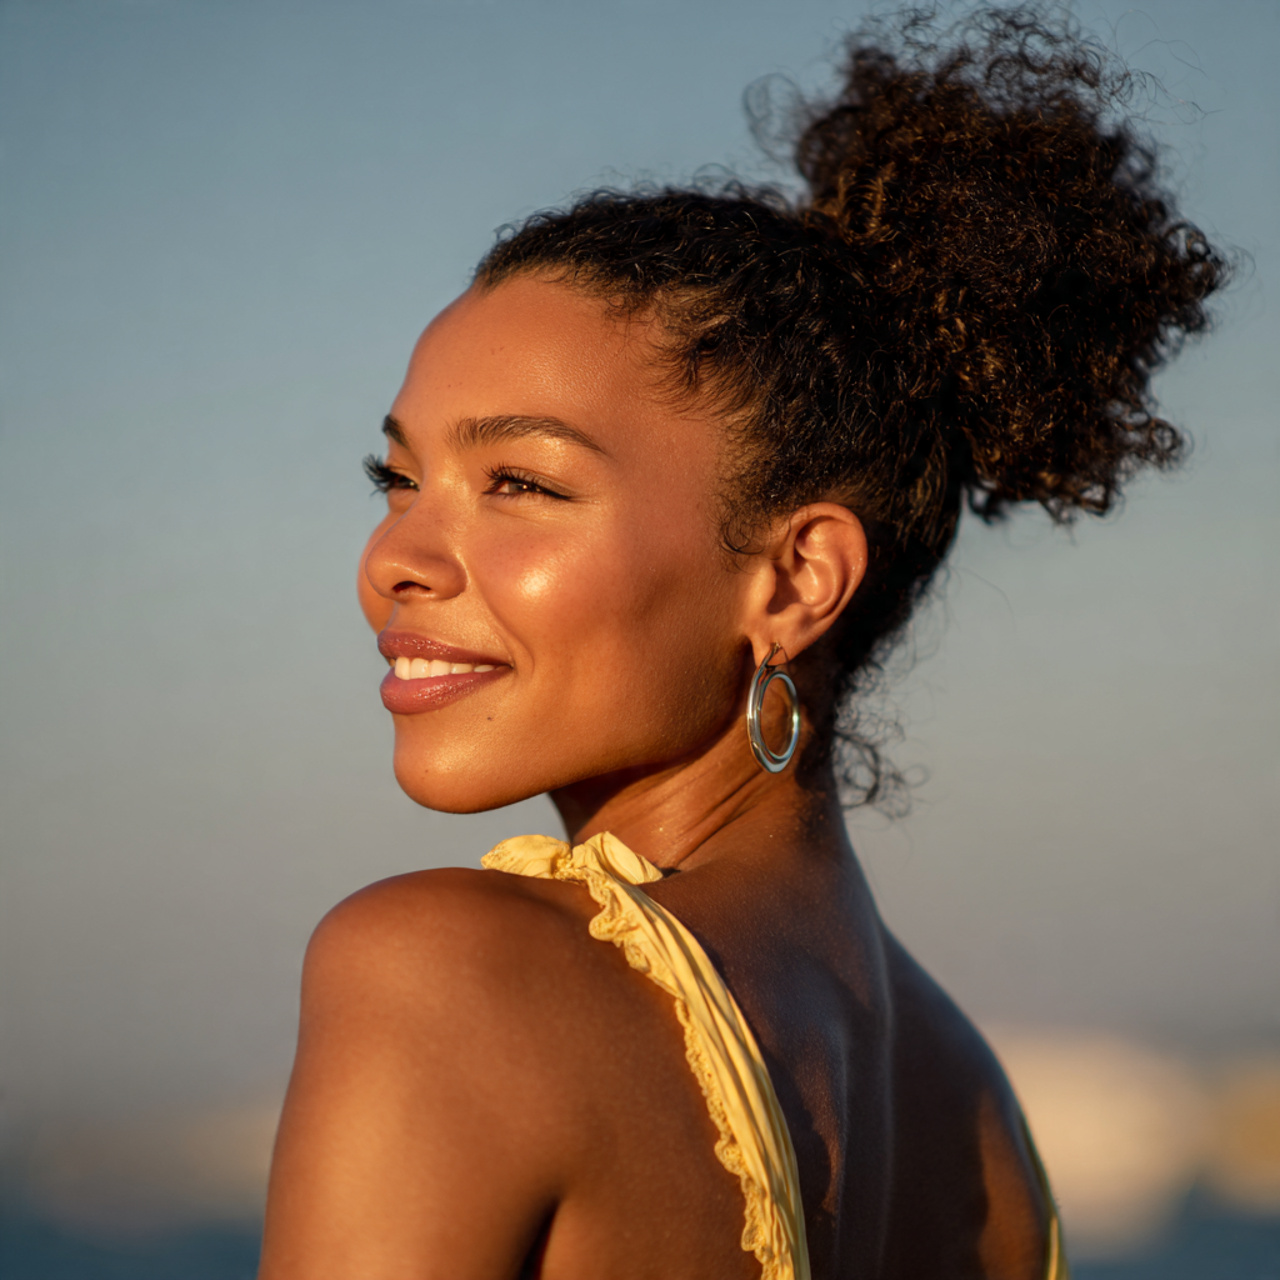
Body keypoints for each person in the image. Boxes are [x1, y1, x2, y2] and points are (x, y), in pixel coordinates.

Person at [258, 7, 1225, 1278]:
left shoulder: (450, 975)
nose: (394, 559)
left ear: (794, 579)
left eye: (521, 484)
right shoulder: (981, 1120)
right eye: (399, 478)